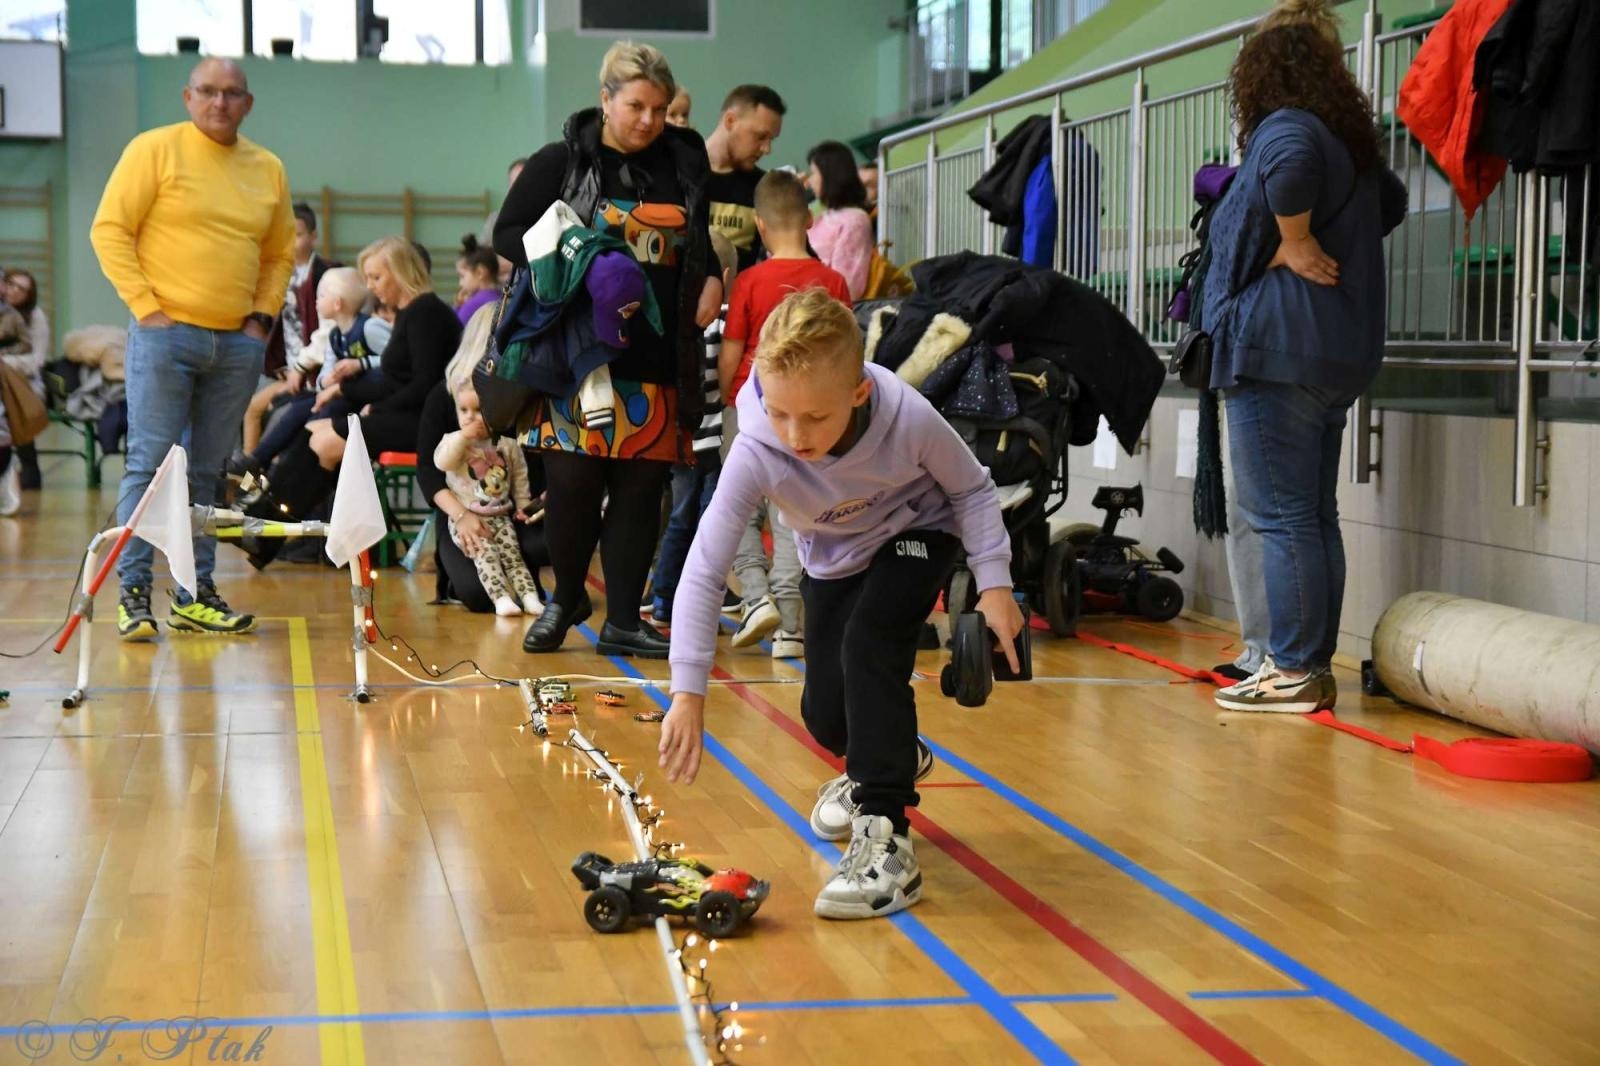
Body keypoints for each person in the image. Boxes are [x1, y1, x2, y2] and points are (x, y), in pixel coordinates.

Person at [659, 288, 1024, 920]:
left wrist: (994, 585)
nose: (795, 437)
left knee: (870, 645)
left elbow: (971, 489)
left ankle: (886, 837)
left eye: (814, 419)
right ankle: (893, 752)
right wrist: (687, 694)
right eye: (779, 414)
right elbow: (705, 565)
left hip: (919, 529)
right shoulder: (754, 447)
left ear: (857, 394)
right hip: (832, 555)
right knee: (826, 717)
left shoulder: (906, 416)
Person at [1201, 0, 1406, 713]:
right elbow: (1394, 203)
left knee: (1280, 516)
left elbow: (1285, 168)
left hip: (1279, 351)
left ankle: (1289, 667)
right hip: (1332, 354)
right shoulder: (1349, 140)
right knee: (1312, 516)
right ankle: (1308, 665)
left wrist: (1291, 237)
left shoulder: (1288, 128)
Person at [494, 41, 720, 660]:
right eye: (636, 106)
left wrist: (715, 275)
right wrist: (575, 257)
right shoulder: (562, 161)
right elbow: (508, 234)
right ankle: (567, 598)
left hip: (657, 355)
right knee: (570, 486)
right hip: (576, 355)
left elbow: (699, 239)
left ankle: (624, 617)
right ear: (605, 99)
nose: (649, 120)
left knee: (641, 493)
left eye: (660, 108)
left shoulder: (684, 163)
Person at [90, 57, 293, 640]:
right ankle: (133, 591)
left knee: (205, 472)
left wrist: (260, 321)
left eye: (232, 94)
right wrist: (147, 310)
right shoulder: (153, 150)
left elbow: (279, 253)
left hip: (237, 345)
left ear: (247, 104)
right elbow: (109, 230)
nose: (219, 103)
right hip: (164, 335)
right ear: (187, 97)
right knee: (149, 465)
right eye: (208, 92)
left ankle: (193, 593)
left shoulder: (267, 168)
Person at [719, 170, 851, 656]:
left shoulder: (751, 281)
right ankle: (792, 626)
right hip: (811, 416)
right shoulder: (832, 281)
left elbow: (733, 352)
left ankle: (755, 598)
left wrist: (722, 397)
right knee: (793, 513)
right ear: (810, 219)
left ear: (759, 224)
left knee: (737, 510)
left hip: (753, 407)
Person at [416, 307, 549, 613]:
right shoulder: (446, 396)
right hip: (462, 505)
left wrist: (538, 500)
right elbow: (427, 469)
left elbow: (535, 462)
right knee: (477, 596)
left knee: (541, 544)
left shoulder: (525, 390)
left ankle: (524, 584)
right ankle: (478, 580)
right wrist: (462, 516)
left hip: (513, 508)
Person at [648, 232, 736, 626]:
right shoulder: (726, 320)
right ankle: (697, 606)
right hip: (714, 440)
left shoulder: (680, 317)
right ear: (727, 275)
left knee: (680, 520)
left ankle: (665, 597)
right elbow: (727, 378)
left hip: (682, 438)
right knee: (708, 528)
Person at [229, 266, 390, 481]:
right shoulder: (334, 336)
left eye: (321, 296)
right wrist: (327, 380)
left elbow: (396, 359)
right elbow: (324, 376)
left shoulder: (369, 327)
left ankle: (285, 480)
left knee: (318, 418)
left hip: (367, 398)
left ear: (337, 303)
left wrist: (361, 363)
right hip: (343, 394)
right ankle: (257, 463)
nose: (316, 301)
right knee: (299, 408)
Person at [434, 378, 545, 617]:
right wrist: (464, 437)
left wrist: (523, 504)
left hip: (501, 516)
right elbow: (442, 462)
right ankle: (501, 599)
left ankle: (529, 597)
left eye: (477, 410)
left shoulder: (507, 445)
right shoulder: (453, 441)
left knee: (513, 557)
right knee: (485, 554)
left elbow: (520, 476)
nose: (470, 417)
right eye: (464, 410)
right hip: (467, 518)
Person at [242, 202, 336, 455]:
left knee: (274, 420)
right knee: (251, 410)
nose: (291, 242)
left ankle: (253, 481)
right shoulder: (277, 276)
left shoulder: (328, 274)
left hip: (316, 374)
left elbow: (330, 333)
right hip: (290, 372)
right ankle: (246, 484)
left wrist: (302, 367)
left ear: (313, 237)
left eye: (298, 234)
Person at [704, 85, 787, 270]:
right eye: (760, 136)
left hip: (738, 296)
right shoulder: (680, 171)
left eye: (771, 139)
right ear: (730, 120)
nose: (767, 149)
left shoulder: (763, 187)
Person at [805, 141, 876, 301]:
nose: (810, 181)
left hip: (827, 312)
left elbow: (848, 285)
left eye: (813, 172)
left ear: (829, 174)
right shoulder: (822, 217)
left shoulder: (855, 220)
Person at [1, 269, 46, 490]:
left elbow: (37, 359)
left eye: (22, 288)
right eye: (11, 284)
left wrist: (4, 364)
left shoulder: (35, 316)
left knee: (14, 407)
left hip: (24, 379)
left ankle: (26, 469)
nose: (14, 291)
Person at [454, 235, 501, 325]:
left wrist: (458, 308)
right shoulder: (504, 298)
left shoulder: (473, 305)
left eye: (462, 276)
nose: (460, 283)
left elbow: (454, 331)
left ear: (480, 272)